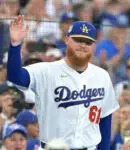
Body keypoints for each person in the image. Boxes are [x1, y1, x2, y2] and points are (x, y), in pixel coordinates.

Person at [7, 15, 119, 150]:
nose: (83, 45)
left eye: (88, 42)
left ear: (94, 46)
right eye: (78, 40)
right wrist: (15, 45)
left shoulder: (102, 76)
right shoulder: (46, 71)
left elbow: (105, 121)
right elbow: (15, 76)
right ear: (66, 39)